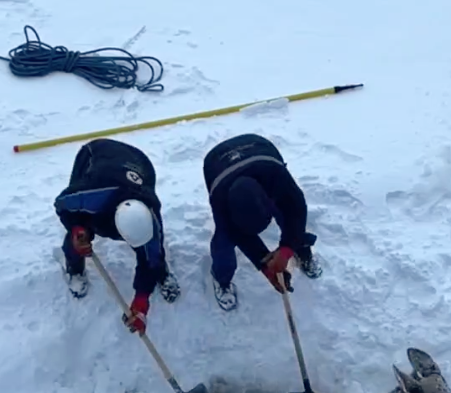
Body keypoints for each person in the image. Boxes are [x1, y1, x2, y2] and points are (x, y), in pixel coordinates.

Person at [54, 138, 181, 335]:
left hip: (140, 163)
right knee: (77, 235)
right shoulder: (90, 196)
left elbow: (149, 256)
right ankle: (75, 268)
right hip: (95, 155)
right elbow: (61, 204)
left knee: (153, 254)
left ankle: (161, 273)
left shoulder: (151, 218)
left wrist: (141, 301)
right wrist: (77, 228)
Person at [202, 133, 323, 311]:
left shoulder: (277, 178)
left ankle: (301, 249)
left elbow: (296, 210)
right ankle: (222, 277)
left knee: (287, 215)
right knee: (224, 239)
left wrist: (286, 249)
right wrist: (265, 265)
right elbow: (234, 232)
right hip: (217, 161)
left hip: (259, 148)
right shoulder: (220, 199)